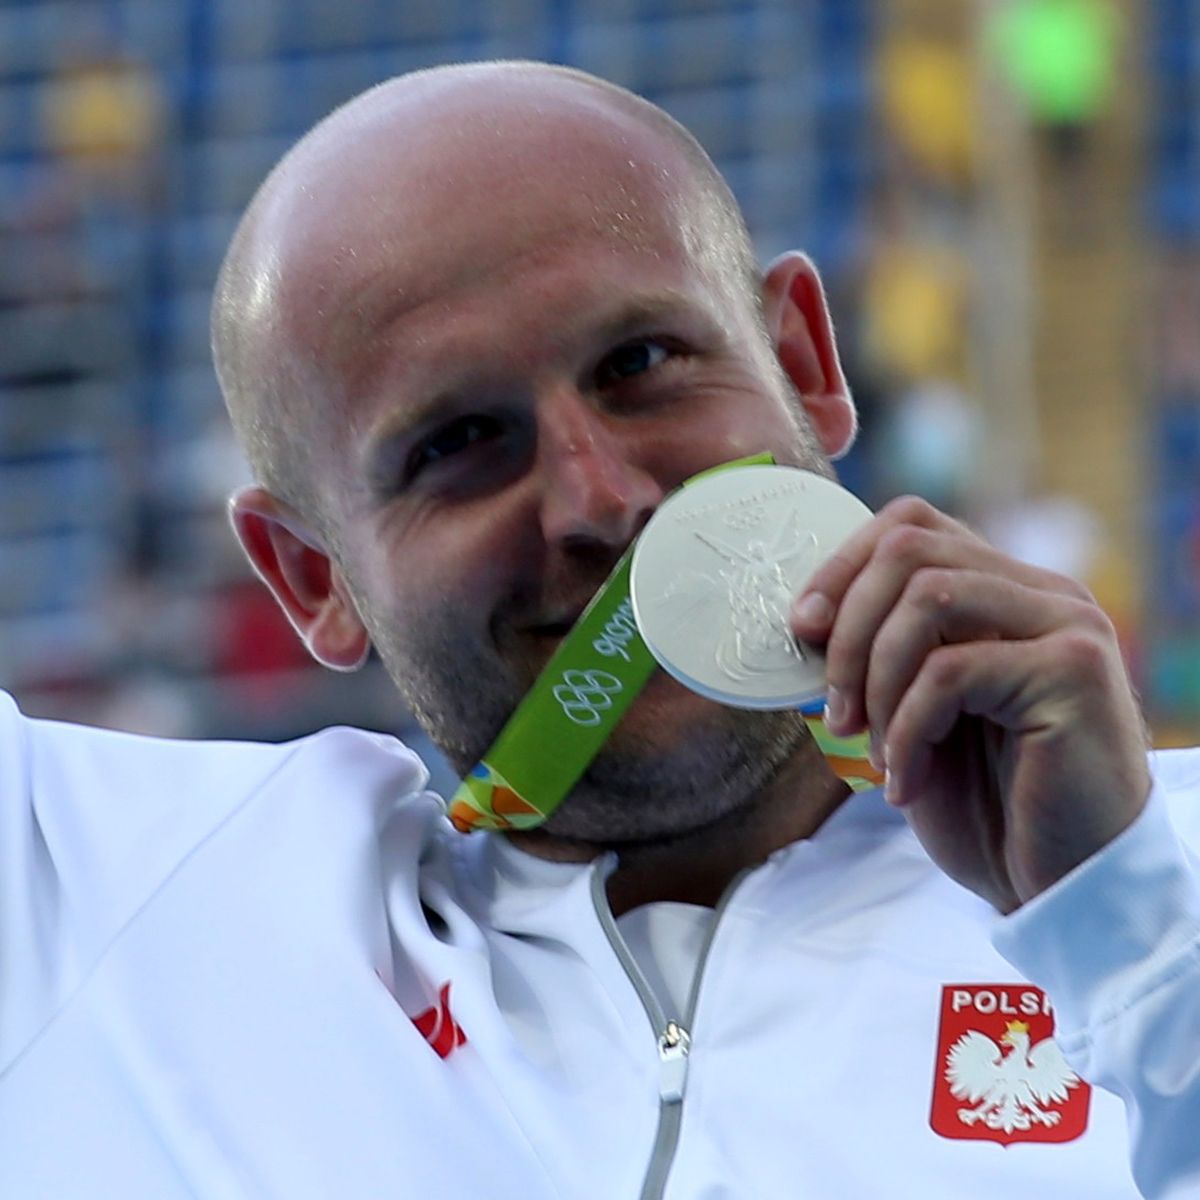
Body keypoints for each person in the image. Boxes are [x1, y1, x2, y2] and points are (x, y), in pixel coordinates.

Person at [1, 61, 1197, 1199]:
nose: (603, 501)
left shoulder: (1163, 871)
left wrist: (1125, 924)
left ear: (801, 362)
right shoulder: (129, 923)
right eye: (457, 442)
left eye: (642, 362)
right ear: (311, 574)